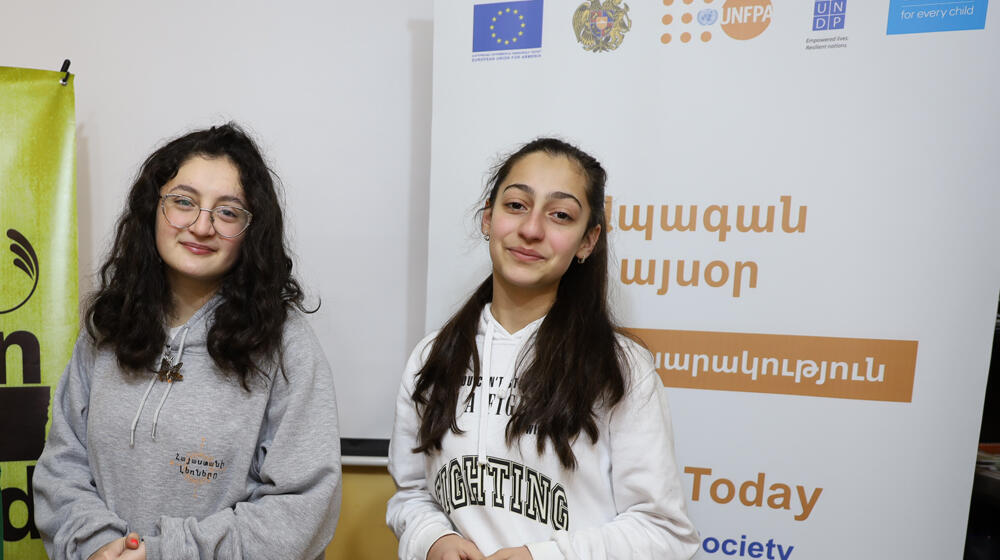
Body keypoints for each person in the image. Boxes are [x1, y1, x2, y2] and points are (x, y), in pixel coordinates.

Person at [33, 123, 341, 560]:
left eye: (228, 212)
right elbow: (61, 468)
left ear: (251, 231)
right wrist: (97, 545)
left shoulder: (286, 346)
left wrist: (161, 554)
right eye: (184, 202)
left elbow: (301, 508)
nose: (201, 226)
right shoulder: (107, 327)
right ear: (152, 208)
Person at [386, 138, 699, 560]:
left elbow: (664, 532)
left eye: (560, 215)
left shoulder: (620, 369)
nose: (531, 229)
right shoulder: (432, 358)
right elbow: (411, 496)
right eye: (516, 205)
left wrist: (543, 557)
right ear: (487, 218)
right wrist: (433, 541)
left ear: (587, 241)